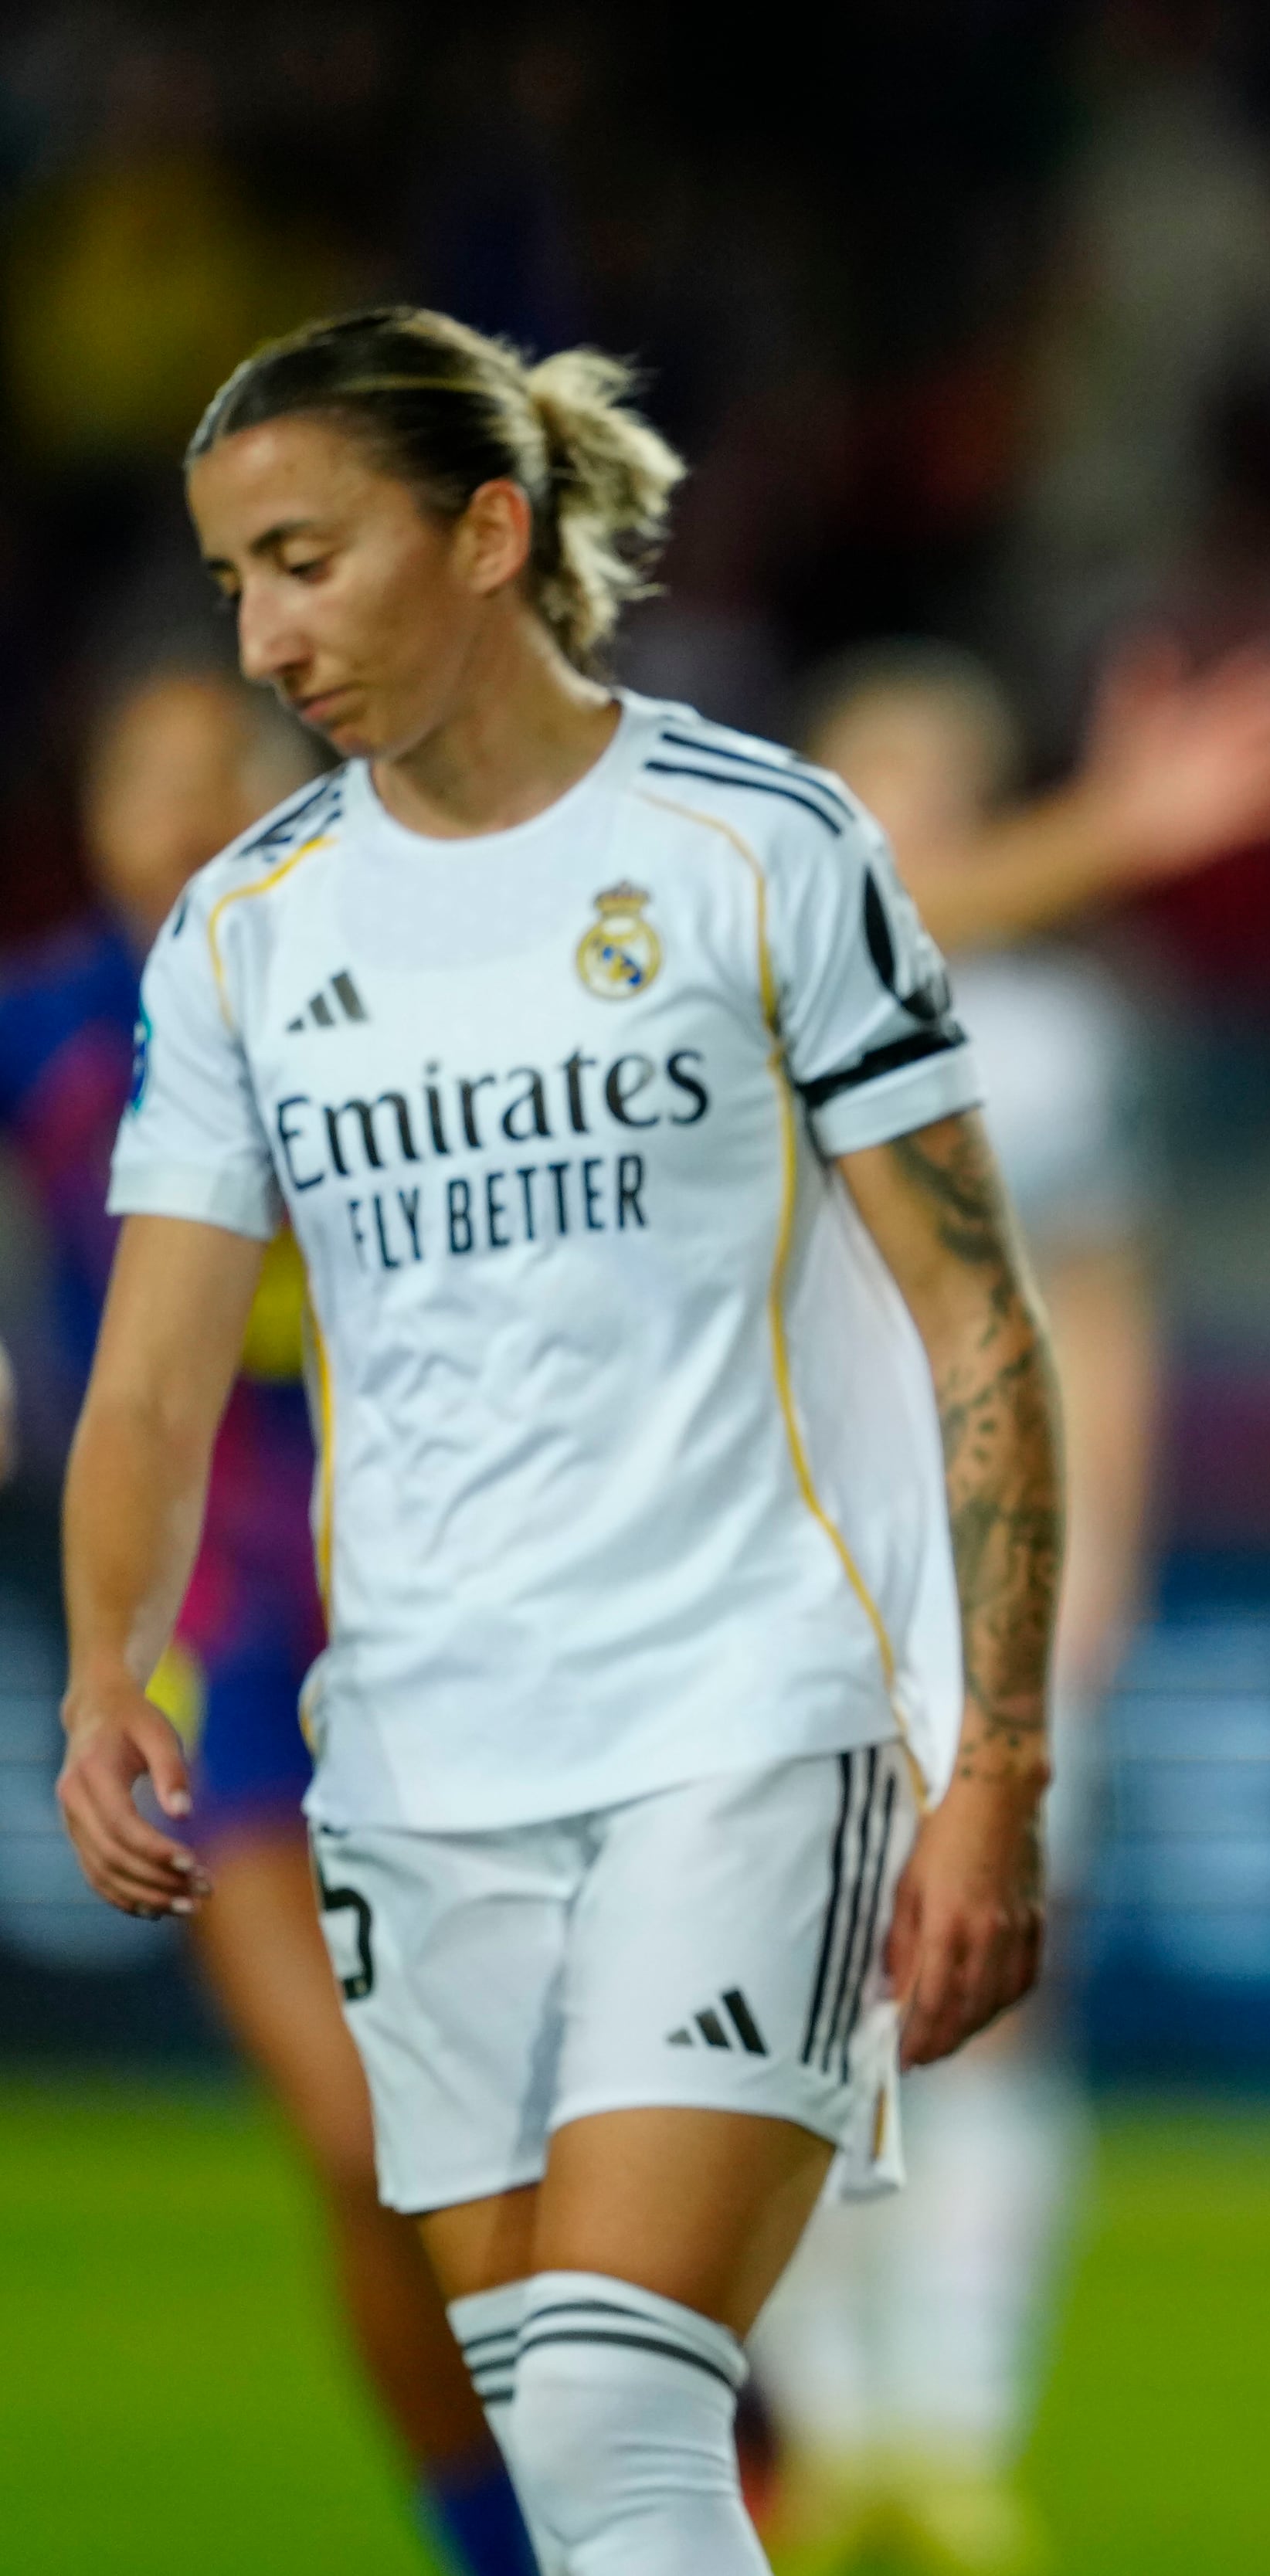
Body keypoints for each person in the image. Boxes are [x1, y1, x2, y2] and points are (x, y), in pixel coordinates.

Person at [51, 306, 1061, 2576]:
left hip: (748, 1717)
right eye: (233, 579)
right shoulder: (245, 936)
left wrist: (993, 1755)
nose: (265, 633)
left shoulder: (760, 847)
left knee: (613, 2408)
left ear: (490, 531)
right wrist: (107, 1660)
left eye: (305, 559)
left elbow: (983, 1320)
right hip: (416, 1772)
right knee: (573, 2469)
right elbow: (149, 1373)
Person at [747, 635, 1270, 2573]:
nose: (898, 822)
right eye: (867, 785)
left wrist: (1098, 1570)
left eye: (930, 782)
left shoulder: (1066, 1036)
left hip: (987, 1594)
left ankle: (957, 2431)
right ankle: (829, 2443)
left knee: (988, 2004)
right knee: (787, 2026)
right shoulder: (755, 997)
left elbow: (1103, 1305)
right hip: (775, 1587)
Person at [0, 668, 540, 2576]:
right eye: (139, 780)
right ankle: (525, 2523)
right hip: (216, 1653)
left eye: (215, 780)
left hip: (449, 1625)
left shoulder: (401, 1005)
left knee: (498, 2125)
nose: (176, 816)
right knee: (356, 2134)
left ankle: (669, 2427)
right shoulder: (50, 1037)